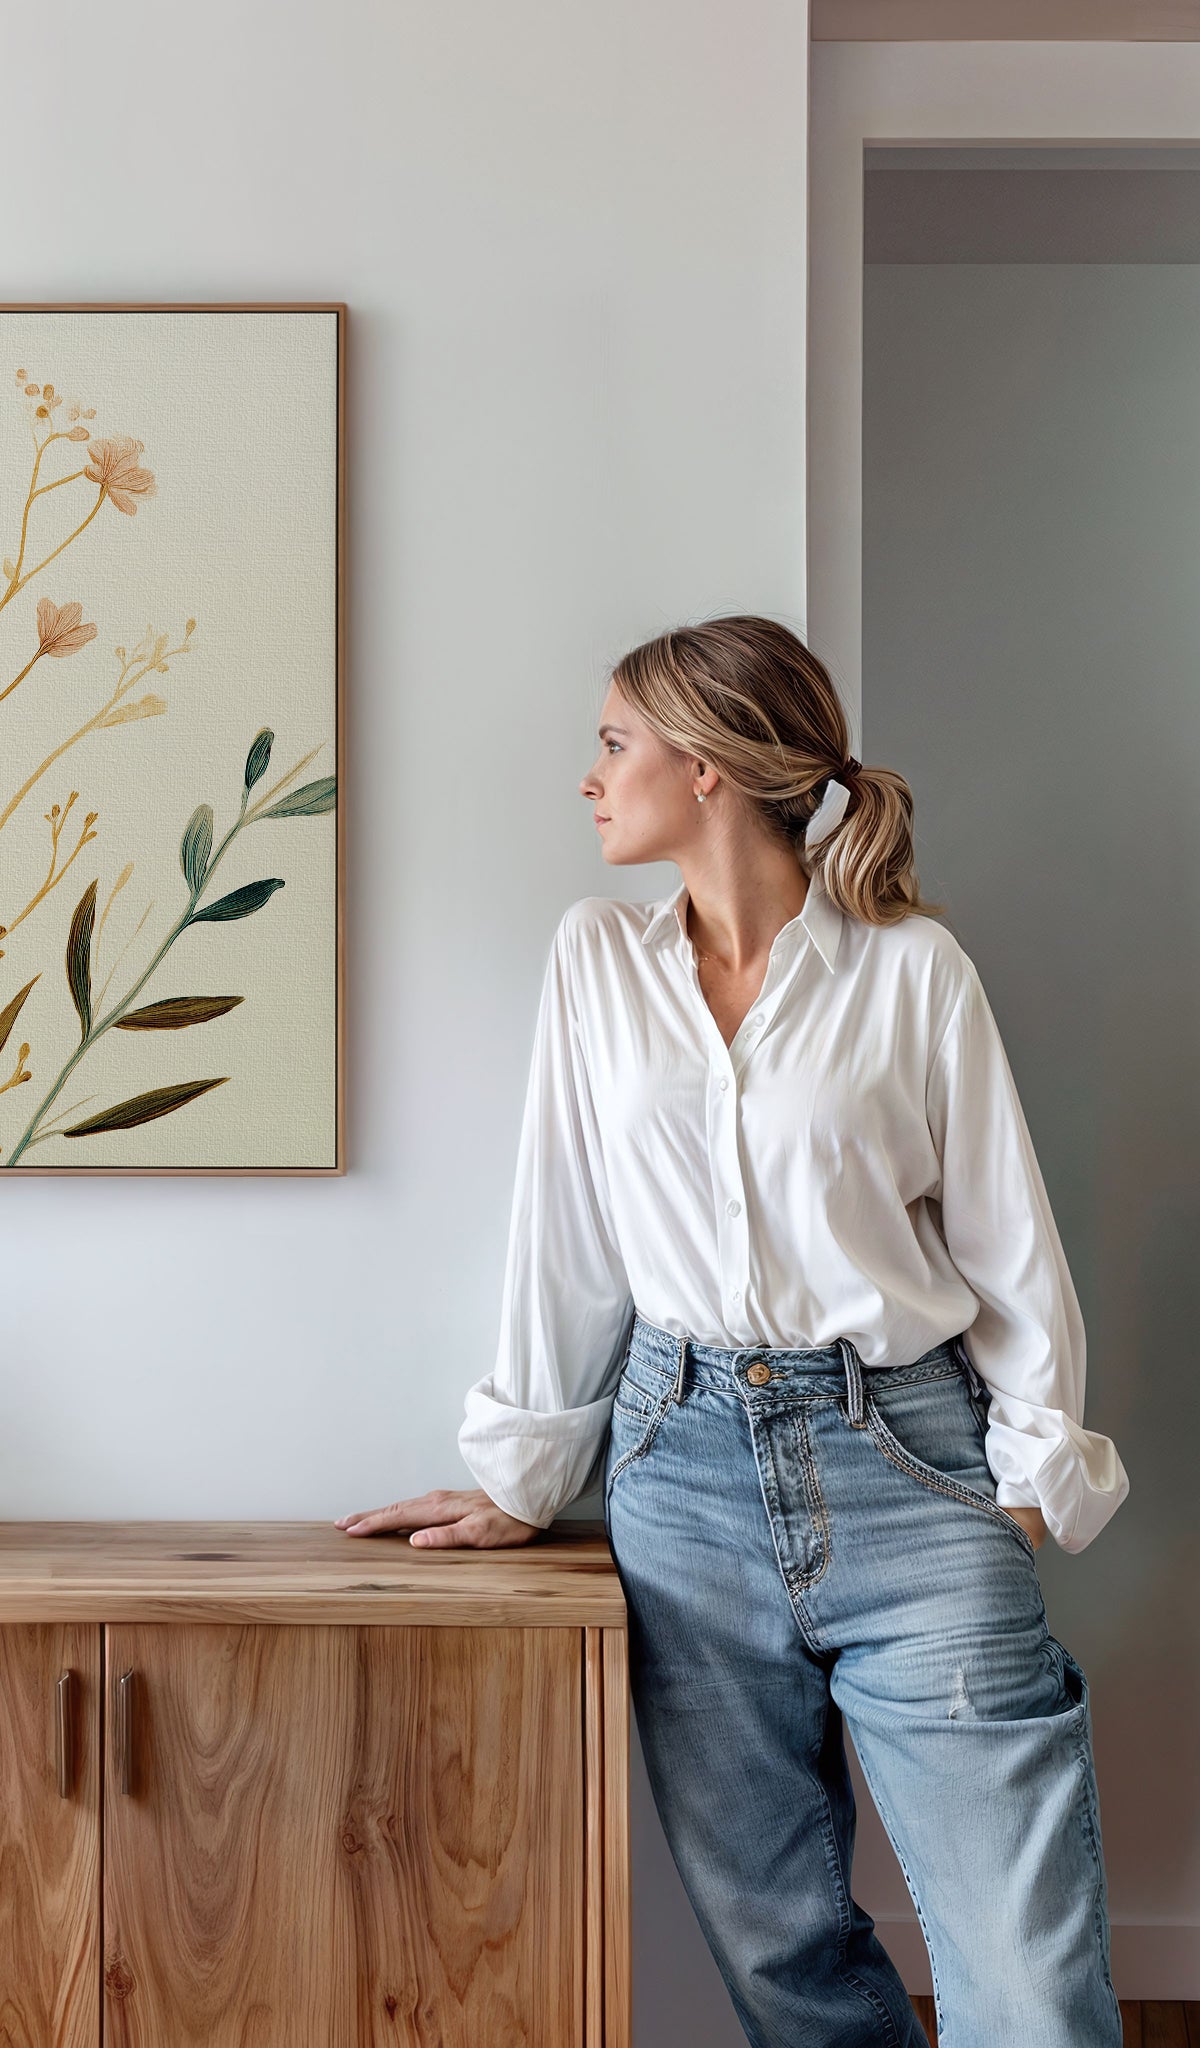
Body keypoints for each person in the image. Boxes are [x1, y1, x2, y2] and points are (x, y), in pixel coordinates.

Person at [336, 616, 1129, 2046]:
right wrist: (528, 1472)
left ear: (706, 768)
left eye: (613, 742)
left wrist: (1026, 1479)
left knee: (1025, 1972)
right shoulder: (596, 963)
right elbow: (563, 1231)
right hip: (680, 1472)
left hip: (911, 1460)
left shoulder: (911, 972)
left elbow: (1010, 1242)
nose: (590, 776)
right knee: (783, 1959)